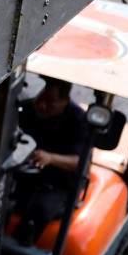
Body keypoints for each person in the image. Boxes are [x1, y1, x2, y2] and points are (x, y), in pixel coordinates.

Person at [11, 76, 89, 244]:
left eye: (50, 102)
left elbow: (80, 162)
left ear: (65, 100)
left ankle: (21, 246)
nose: (41, 105)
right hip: (26, 172)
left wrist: (50, 158)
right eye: (40, 99)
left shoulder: (79, 121)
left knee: (39, 208)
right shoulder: (29, 108)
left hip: (59, 182)